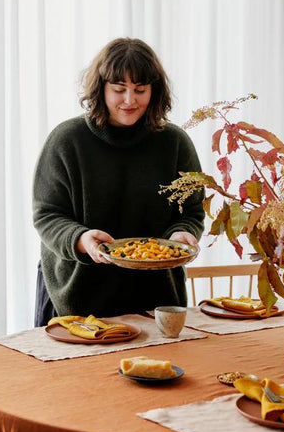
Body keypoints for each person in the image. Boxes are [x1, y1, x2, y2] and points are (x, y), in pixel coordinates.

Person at [32, 37, 204, 326]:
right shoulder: (66, 140)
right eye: (119, 89)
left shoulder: (174, 142)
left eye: (140, 90)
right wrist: (80, 239)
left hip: (155, 297)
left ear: (154, 91)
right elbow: (47, 215)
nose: (129, 100)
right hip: (75, 297)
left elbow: (191, 211)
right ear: (101, 89)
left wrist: (181, 235)